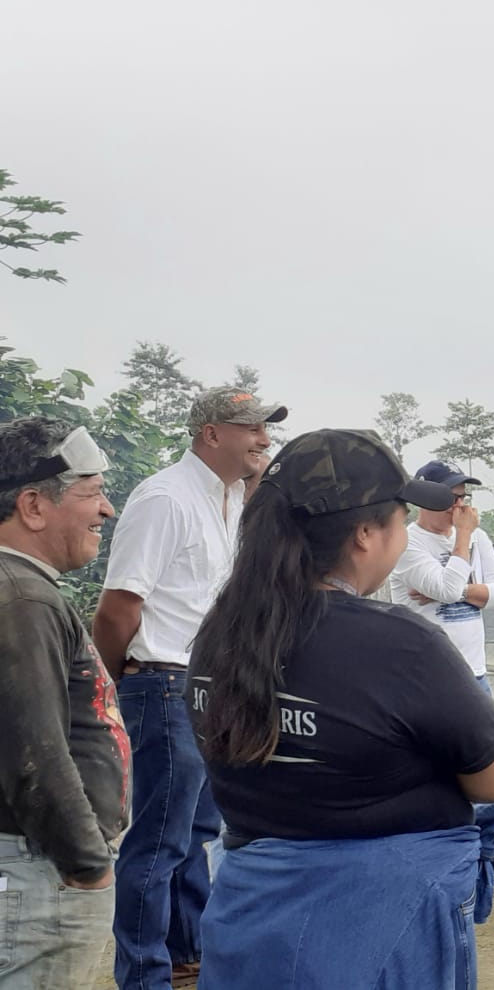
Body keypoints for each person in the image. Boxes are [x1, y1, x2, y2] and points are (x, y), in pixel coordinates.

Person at [185, 429, 494, 988]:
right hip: (381, 918)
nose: (404, 533)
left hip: (251, 911)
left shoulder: (220, 630)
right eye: (400, 518)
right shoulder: (398, 642)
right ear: (365, 533)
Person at [92, 385, 285, 990]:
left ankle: (184, 955)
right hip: (162, 683)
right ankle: (143, 976)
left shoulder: (230, 498)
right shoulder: (165, 498)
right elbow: (119, 605)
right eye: (252, 428)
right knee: (157, 844)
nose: (265, 439)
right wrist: (113, 684)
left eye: (267, 428)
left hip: (206, 686)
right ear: (211, 434)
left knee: (195, 835)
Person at [0, 420, 129, 986]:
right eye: (92, 492)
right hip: (38, 873)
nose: (107, 510)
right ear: (33, 505)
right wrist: (88, 867)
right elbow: (35, 755)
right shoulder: (23, 599)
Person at [388, 460, 494, 885]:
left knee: (488, 760)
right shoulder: (407, 542)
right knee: (428, 769)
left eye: (463, 497)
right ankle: (439, 854)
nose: (461, 506)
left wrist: (466, 588)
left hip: (473, 672)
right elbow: (447, 589)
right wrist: (463, 546)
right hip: (424, 677)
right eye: (453, 497)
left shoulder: (479, 538)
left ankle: (492, 851)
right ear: (426, 497)